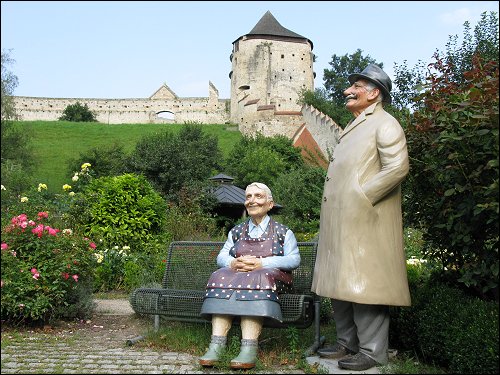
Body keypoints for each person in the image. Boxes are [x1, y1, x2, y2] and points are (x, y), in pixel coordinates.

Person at [311, 64, 411, 371]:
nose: (347, 91)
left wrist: (362, 195)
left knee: (366, 285)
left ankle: (372, 350)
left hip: (366, 220)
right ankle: (347, 344)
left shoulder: (385, 123)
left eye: (356, 86)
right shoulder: (356, 125)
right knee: (339, 284)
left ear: (374, 93)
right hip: (341, 222)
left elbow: (397, 167)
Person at [198, 182, 301, 370]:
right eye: (248, 197)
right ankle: (216, 345)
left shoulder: (283, 232)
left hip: (272, 280)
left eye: (258, 196)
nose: (252, 200)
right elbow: (222, 255)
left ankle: (248, 347)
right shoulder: (236, 232)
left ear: (270, 204)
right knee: (219, 275)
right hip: (240, 277)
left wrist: (263, 263)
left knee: (258, 277)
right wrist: (232, 263)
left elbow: (294, 259)